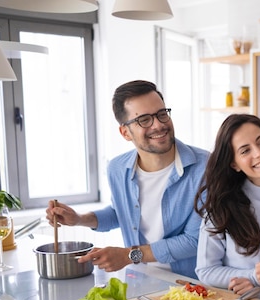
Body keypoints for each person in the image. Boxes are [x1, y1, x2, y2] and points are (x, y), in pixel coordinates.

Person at [46, 80, 209, 278]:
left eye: (161, 114)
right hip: (140, 279)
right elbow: (121, 212)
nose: (158, 125)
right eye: (144, 120)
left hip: (190, 285)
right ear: (125, 132)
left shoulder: (206, 167)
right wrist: (79, 219)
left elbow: (196, 240)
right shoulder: (117, 168)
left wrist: (129, 255)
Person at [194, 114, 260, 300]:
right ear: (234, 164)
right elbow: (206, 270)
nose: (258, 153)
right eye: (245, 151)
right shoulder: (222, 205)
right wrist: (252, 276)